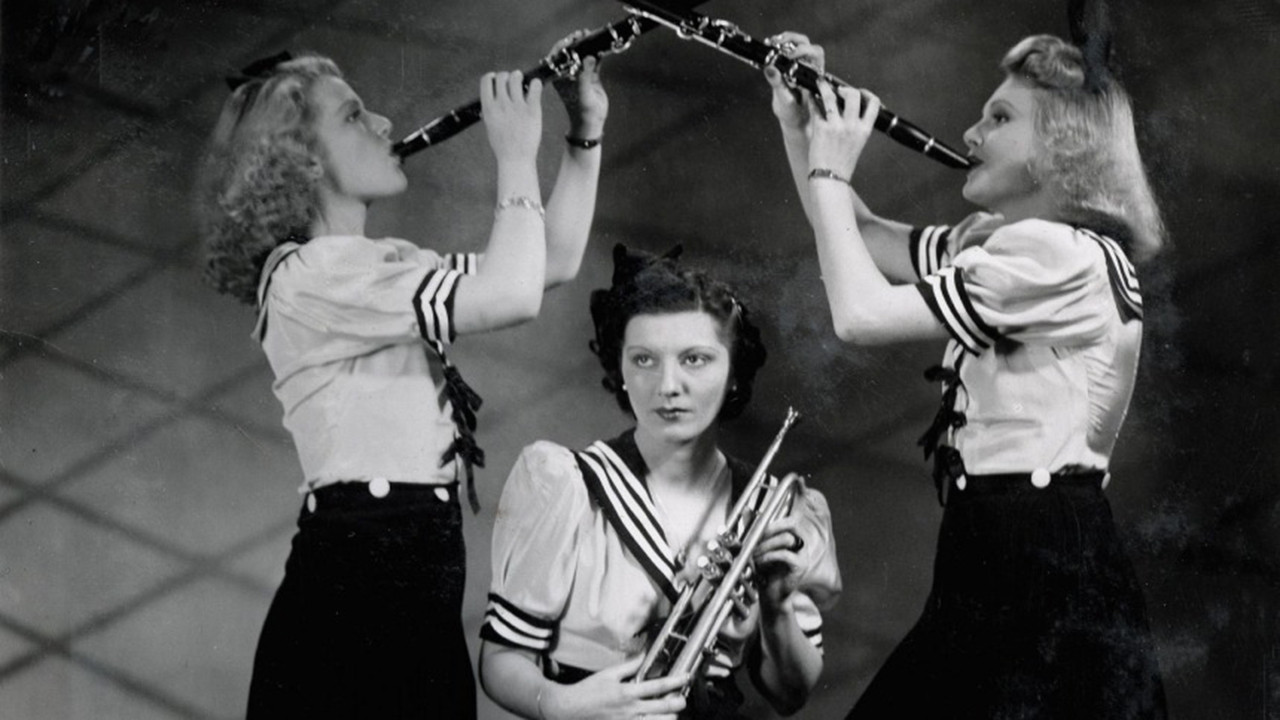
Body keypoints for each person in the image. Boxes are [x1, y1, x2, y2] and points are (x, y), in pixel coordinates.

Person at [195, 39, 608, 718]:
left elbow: (546, 264)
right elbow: (512, 295)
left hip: (413, 578)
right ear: (302, 161)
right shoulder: (312, 273)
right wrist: (511, 155)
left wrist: (582, 135)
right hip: (359, 585)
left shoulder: (379, 263)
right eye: (355, 116)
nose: (386, 123)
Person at [761, 30, 1168, 719]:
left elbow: (859, 315)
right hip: (1001, 544)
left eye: (1001, 118)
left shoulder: (1057, 254)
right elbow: (859, 235)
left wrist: (831, 170)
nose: (971, 132)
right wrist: (801, 123)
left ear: (1064, 148)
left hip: (1036, 551)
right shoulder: (1007, 243)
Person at [477, 244, 842, 719]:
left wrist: (775, 605)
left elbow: (791, 695)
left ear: (733, 373)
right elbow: (501, 660)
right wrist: (561, 705)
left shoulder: (780, 507)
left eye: (695, 359)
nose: (668, 385)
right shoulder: (567, 484)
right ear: (620, 369)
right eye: (645, 360)